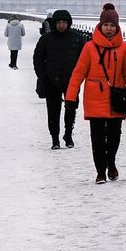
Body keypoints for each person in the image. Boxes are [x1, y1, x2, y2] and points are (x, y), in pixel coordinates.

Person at [66, 3, 126, 184]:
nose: (109, 28)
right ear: (100, 26)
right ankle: (100, 171)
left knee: (115, 136)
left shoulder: (123, 49)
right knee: (97, 137)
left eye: (112, 25)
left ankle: (111, 162)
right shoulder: (89, 47)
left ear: (117, 27)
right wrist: (70, 96)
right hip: (95, 97)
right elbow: (79, 72)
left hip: (116, 97)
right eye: (106, 25)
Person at [32, 8, 87, 149]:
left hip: (72, 81)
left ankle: (68, 135)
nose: (61, 25)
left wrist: (80, 76)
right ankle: (55, 139)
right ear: (54, 23)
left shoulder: (77, 38)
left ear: (68, 23)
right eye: (59, 22)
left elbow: (85, 59)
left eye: (64, 22)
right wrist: (42, 76)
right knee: (53, 111)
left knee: (71, 109)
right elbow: (38, 59)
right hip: (52, 81)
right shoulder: (46, 39)